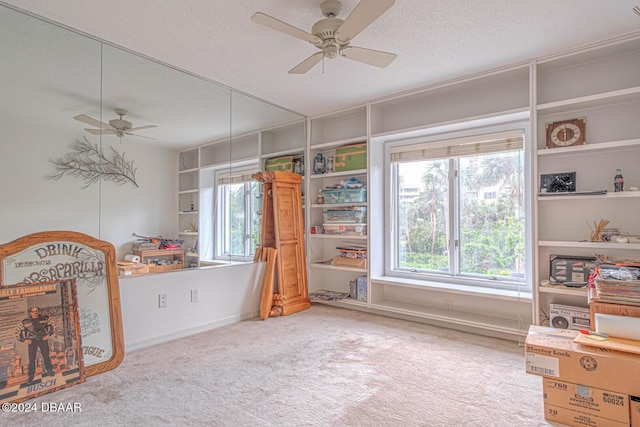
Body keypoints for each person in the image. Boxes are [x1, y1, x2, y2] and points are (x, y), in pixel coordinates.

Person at [17, 306, 55, 384]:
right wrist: (24, 340)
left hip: (42, 340)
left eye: (36, 311)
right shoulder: (25, 321)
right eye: (33, 311)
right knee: (32, 359)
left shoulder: (45, 318)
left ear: (38, 311)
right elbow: (16, 332)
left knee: (46, 356)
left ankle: (50, 371)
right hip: (32, 341)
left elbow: (54, 326)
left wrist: (48, 335)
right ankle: (31, 376)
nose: (35, 313)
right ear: (30, 312)